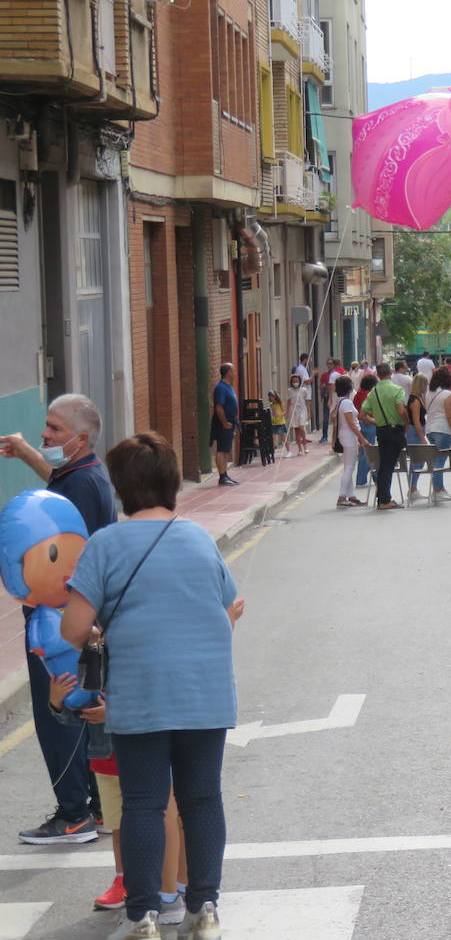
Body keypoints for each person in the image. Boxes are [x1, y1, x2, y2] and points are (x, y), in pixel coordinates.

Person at [61, 432, 243, 939]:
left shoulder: (106, 544)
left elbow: (74, 630)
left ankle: (143, 915)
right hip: (206, 690)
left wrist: (101, 630)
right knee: (203, 799)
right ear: (170, 483)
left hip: (141, 692)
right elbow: (229, 604)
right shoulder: (198, 538)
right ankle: (204, 908)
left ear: (121, 488)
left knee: (143, 800)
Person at [1, 393, 116, 844]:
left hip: (62, 622)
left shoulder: (83, 487)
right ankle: (98, 805)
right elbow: (55, 477)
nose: (45, 435)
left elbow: (67, 556)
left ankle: (73, 815)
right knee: (80, 707)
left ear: (81, 438)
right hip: (72, 619)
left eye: (54, 430)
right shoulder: (81, 474)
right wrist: (27, 450)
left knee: (59, 711)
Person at [48, 671, 188, 924]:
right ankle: (124, 879)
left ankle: (178, 887)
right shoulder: (94, 662)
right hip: (106, 761)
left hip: (149, 757)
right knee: (120, 827)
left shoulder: (140, 656)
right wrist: (57, 702)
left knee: (171, 819)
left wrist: (115, 712)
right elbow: (77, 713)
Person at [359, 363, 407, 509]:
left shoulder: (373, 392)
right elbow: (401, 410)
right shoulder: (397, 389)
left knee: (384, 465)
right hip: (395, 430)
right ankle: (384, 500)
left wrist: (375, 421)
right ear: (390, 373)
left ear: (378, 375)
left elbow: (362, 415)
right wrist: (407, 422)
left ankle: (382, 498)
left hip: (381, 431)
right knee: (388, 466)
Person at [416, 366, 451, 502]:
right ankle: (438, 490)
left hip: (430, 429)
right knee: (440, 461)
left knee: (436, 459)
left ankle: (439, 488)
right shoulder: (447, 395)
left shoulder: (428, 394)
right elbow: (450, 416)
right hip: (442, 429)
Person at [333, 376, 369, 508]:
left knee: (348, 466)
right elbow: (352, 423)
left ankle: (351, 496)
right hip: (349, 436)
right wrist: (362, 438)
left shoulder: (341, 401)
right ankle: (342, 497)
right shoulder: (347, 403)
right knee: (349, 468)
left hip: (346, 436)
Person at [210, 363, 239, 486]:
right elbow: (219, 407)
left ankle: (225, 474)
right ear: (228, 373)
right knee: (221, 449)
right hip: (223, 424)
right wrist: (224, 422)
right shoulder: (221, 387)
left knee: (226, 449)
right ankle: (222, 477)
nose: (235, 373)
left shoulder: (229, 387)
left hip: (230, 423)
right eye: (233, 371)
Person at [352, 375, 379, 491]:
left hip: (361, 424)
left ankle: (375, 476)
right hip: (369, 423)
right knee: (367, 452)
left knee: (366, 451)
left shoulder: (358, 393)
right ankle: (362, 478)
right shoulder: (369, 395)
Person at [285, 375, 309, 457]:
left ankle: (305, 445)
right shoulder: (289, 391)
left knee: (302, 428)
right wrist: (287, 413)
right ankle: (299, 449)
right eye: (294, 381)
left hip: (302, 409)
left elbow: (306, 400)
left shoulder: (303, 390)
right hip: (293, 410)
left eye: (297, 381)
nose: (295, 383)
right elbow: (288, 402)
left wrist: (309, 412)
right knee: (296, 430)